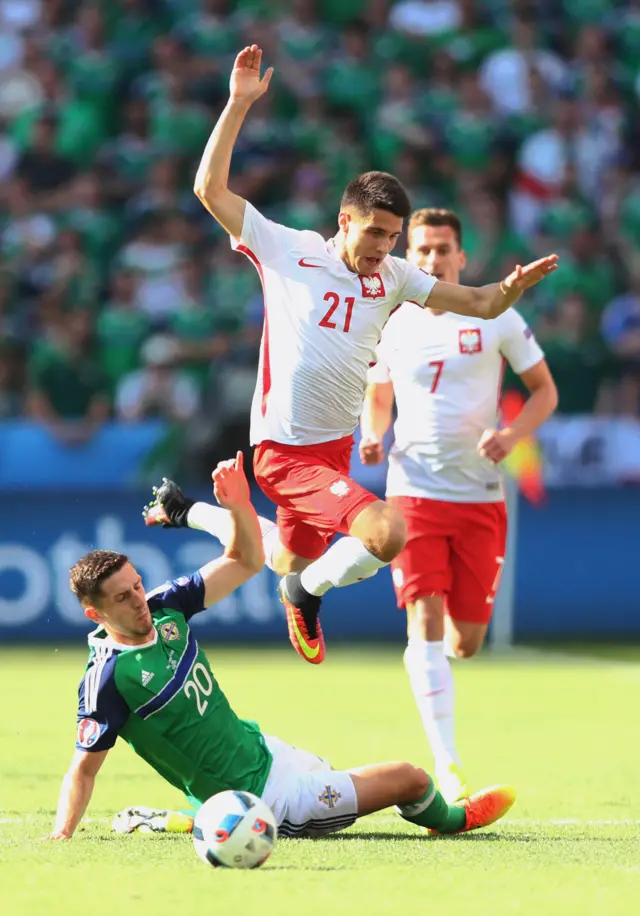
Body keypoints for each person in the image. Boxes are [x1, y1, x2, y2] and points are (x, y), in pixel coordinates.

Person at [193, 44, 559, 665]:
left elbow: (477, 303)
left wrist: (509, 290)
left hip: (332, 451)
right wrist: (237, 104)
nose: (384, 246)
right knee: (387, 533)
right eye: (375, 233)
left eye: (393, 236)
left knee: (283, 555)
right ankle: (302, 594)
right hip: (284, 451)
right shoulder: (290, 250)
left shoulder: (393, 276)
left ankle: (196, 514)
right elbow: (209, 188)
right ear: (345, 219)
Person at [46, 455, 515, 841]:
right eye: (123, 597)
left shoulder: (165, 607)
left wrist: (239, 506)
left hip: (266, 750)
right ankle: (456, 821)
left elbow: (247, 560)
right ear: (95, 614)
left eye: (137, 585)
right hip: (264, 802)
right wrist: (61, 836)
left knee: (336, 774)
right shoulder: (107, 678)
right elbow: (82, 771)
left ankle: (193, 821)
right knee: (410, 778)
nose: (138, 600)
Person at [359, 208, 558, 802]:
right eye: (420, 251)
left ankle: (434, 667)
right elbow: (379, 395)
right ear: (408, 257)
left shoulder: (498, 318)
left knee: (464, 642)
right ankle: (448, 765)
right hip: (414, 490)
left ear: (461, 258)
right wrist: (374, 432)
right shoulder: (393, 325)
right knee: (424, 618)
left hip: (480, 496)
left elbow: (545, 390)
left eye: (442, 250)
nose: (431, 261)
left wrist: (514, 435)